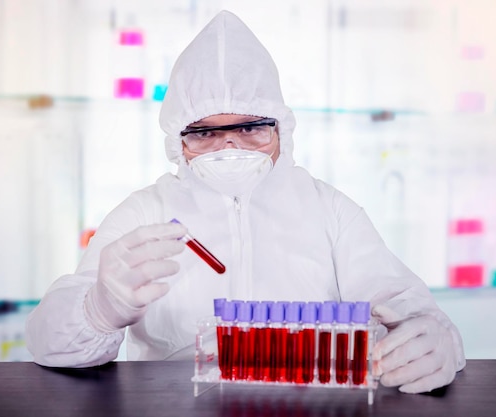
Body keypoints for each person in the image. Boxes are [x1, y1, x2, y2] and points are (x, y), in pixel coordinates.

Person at [26, 10, 465, 394]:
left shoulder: (330, 210)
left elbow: (408, 310)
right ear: (178, 141)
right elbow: (48, 341)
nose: (230, 146)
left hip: (314, 406)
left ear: (282, 131)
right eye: (205, 132)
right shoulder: (147, 212)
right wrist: (98, 309)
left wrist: (434, 339)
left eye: (251, 127)